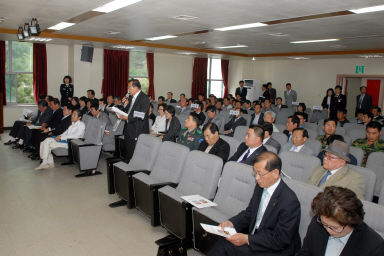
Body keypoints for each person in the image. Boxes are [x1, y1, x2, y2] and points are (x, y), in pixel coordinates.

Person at [208, 152, 301, 256]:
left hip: (276, 248)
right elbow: (250, 213)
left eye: (260, 174)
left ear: (275, 173)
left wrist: (248, 239)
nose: (256, 178)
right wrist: (231, 222)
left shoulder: (289, 201)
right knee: (224, 239)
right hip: (258, 236)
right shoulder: (260, 187)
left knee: (226, 245)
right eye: (255, 173)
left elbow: (281, 239)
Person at [297, 186, 384, 256]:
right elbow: (305, 253)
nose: (328, 229)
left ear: (352, 222)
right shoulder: (318, 223)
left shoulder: (374, 246)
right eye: (325, 224)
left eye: (334, 228)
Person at [120, 79, 150, 163]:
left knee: (135, 154)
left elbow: (142, 115)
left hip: (137, 130)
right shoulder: (132, 97)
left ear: (135, 87)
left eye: (129, 87)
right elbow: (130, 111)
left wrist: (128, 118)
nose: (128, 90)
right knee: (128, 153)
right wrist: (123, 107)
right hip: (128, 128)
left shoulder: (144, 98)